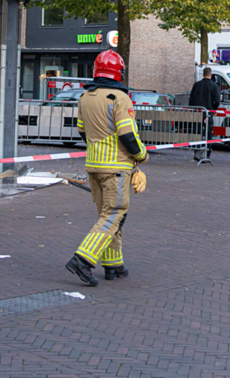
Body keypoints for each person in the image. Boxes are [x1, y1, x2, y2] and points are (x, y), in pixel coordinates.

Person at [66, 50, 148, 287]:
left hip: (94, 165)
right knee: (115, 213)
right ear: (118, 72)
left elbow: (82, 131)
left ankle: (114, 265)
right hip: (116, 167)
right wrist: (141, 155)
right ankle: (82, 260)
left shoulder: (84, 97)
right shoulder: (119, 98)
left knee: (109, 215)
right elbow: (127, 135)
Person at [188, 67, 221, 162]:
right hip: (208, 113)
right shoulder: (214, 86)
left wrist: (192, 109)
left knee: (197, 132)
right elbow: (217, 101)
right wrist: (214, 110)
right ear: (210, 75)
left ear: (203, 74)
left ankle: (197, 152)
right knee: (208, 133)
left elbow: (191, 98)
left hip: (197, 112)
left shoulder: (197, 85)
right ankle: (207, 153)